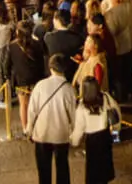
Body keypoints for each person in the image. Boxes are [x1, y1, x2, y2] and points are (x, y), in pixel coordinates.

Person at [24, 54, 79, 184]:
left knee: (44, 171)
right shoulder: (68, 89)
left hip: (42, 134)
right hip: (61, 135)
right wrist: (74, 133)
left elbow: (32, 110)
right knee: (62, 168)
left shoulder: (40, 85)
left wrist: (29, 129)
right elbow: (73, 115)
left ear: (50, 68)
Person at [70, 79, 115, 184]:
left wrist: (73, 141)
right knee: (104, 170)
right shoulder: (106, 98)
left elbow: (78, 130)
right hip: (105, 137)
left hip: (92, 141)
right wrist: (115, 134)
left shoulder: (82, 108)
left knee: (93, 172)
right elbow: (116, 114)